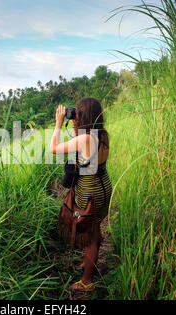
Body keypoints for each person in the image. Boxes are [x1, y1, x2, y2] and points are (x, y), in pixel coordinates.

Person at [49, 97, 113, 292]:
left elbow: (53, 149)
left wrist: (59, 124)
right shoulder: (102, 135)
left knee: (89, 234)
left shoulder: (86, 139)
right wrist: (76, 126)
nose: (74, 115)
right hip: (104, 187)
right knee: (93, 228)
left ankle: (86, 281)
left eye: (78, 113)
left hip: (89, 193)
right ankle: (89, 262)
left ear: (84, 115)